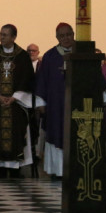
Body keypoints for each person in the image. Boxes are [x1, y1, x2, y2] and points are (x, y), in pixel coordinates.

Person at [0, 24, 35, 177]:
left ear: (14, 37)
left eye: (5, 35)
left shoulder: (22, 56)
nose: (1, 37)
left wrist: (15, 97)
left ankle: (16, 166)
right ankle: (0, 166)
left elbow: (27, 78)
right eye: (1, 34)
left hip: (16, 104)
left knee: (17, 132)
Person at [35, 23, 75, 180]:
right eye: (62, 36)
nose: (66, 38)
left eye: (68, 34)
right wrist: (41, 104)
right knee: (56, 132)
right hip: (55, 104)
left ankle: (75, 169)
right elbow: (42, 81)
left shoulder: (81, 53)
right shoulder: (50, 56)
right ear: (57, 37)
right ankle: (58, 170)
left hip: (77, 104)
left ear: (73, 34)